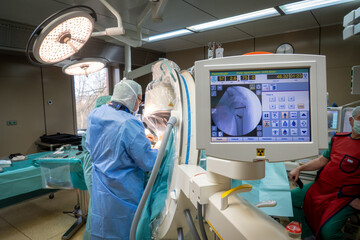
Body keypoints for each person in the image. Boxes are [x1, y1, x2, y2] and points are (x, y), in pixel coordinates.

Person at [86, 80, 158, 239]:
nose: (139, 104)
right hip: (123, 190)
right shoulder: (129, 122)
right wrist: (161, 149)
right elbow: (146, 160)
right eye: (139, 100)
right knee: (124, 229)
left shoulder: (95, 114)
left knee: (103, 225)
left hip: (101, 185)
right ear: (132, 98)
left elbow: (91, 145)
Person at [289, 106, 360, 240]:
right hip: (322, 187)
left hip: (343, 196)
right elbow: (322, 160)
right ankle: (308, 235)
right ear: (351, 121)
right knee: (289, 199)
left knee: (329, 232)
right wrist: (299, 168)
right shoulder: (338, 139)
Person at [82, 95, 112, 240]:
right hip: (93, 171)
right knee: (97, 208)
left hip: (95, 169)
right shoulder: (96, 124)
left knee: (99, 207)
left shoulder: (100, 122)